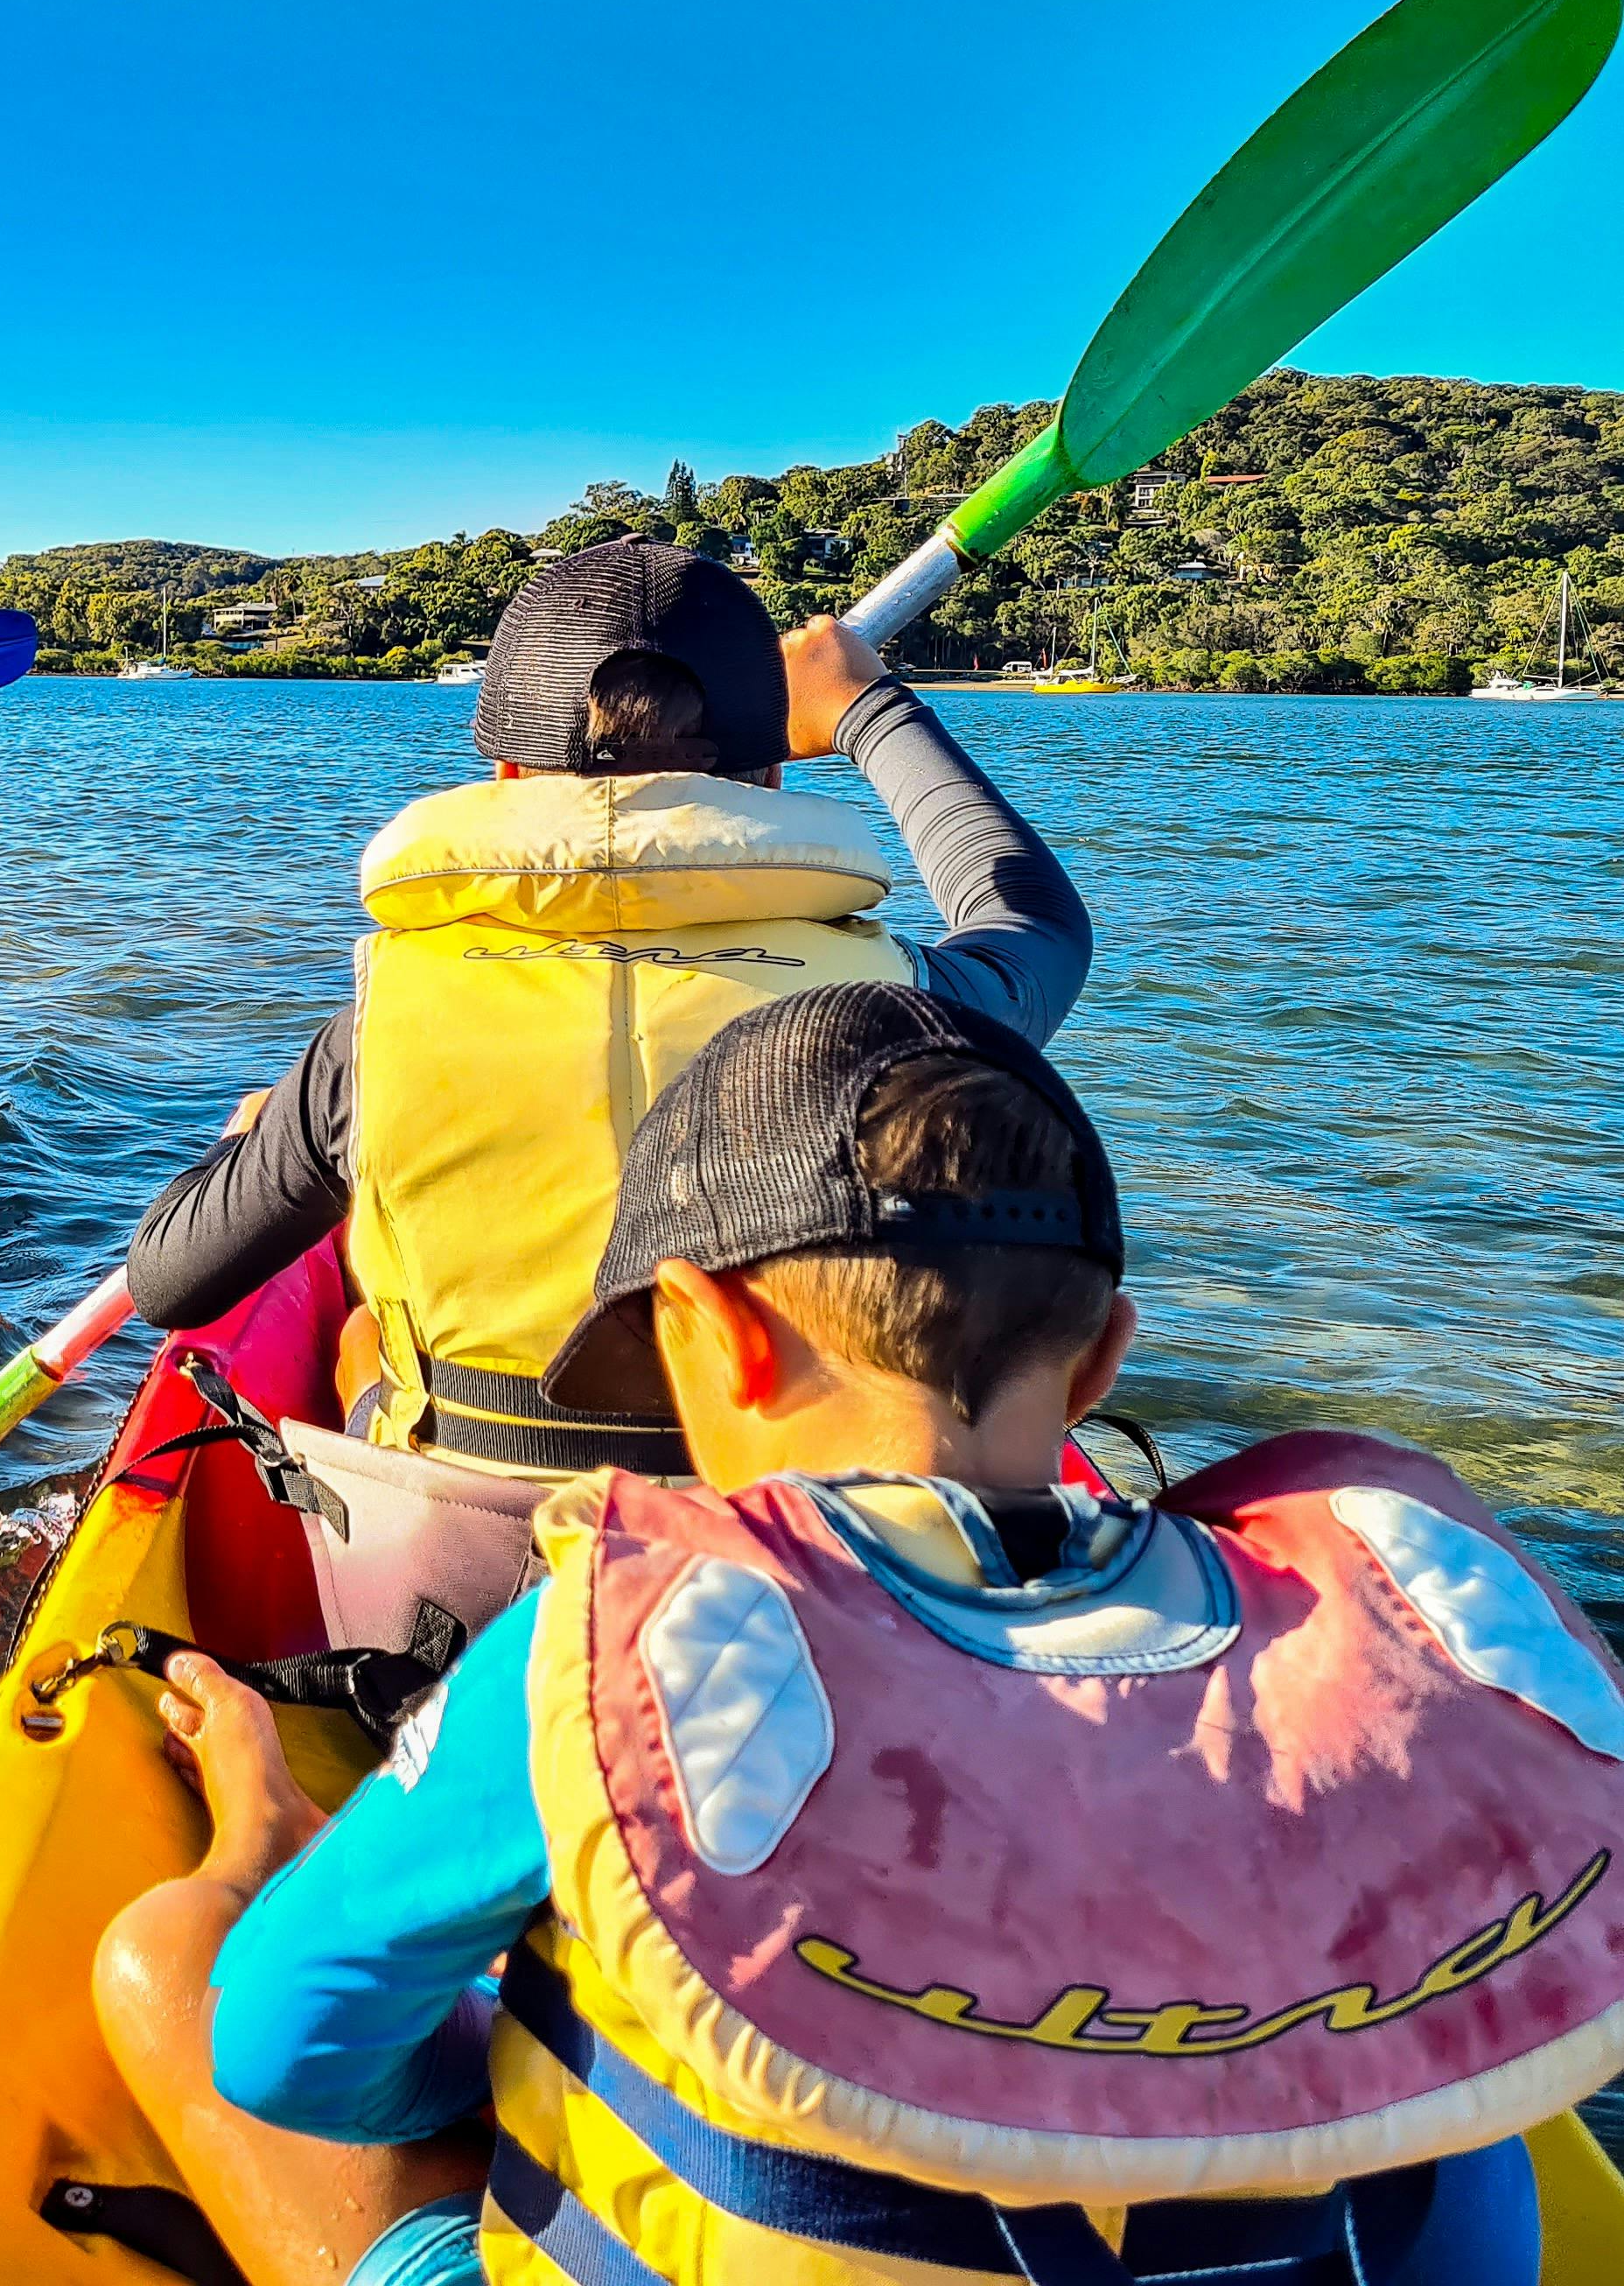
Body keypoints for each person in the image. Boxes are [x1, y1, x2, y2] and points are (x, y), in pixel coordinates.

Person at [97, 984, 1612, 2285]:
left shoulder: (606, 1643)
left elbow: (285, 2048)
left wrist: (482, 2061)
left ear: (711, 1330)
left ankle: (259, 1831)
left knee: (171, 1961)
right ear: (1097, 1361)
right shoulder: (1398, 1643)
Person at [129, 536, 1090, 1628]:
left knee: (355, 1319)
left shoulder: (376, 1027)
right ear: (770, 780)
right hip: (786, 1589)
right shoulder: (903, 1004)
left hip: (453, 1601)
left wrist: (259, 1136)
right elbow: (1035, 925)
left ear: (504, 782)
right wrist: (871, 708)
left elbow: (170, 1283)